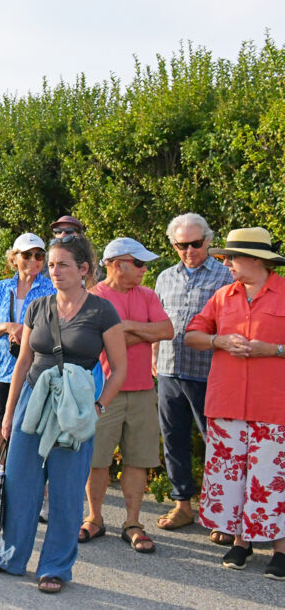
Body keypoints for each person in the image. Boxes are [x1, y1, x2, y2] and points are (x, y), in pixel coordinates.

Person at [0, 234, 126, 594]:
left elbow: (119, 367)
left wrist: (98, 407)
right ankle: (10, 556)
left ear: (84, 269)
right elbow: (23, 362)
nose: (54, 271)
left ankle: (55, 566)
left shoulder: (102, 311)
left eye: (62, 265)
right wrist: (8, 415)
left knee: (67, 489)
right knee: (20, 482)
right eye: (52, 265)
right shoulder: (38, 307)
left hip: (74, 409)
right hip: (32, 402)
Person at [184, 226, 285, 580]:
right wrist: (219, 341)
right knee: (234, 478)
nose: (226, 262)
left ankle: (280, 548)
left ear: (256, 260)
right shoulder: (223, 296)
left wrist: (272, 350)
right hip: (226, 403)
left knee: (272, 480)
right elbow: (191, 335)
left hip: (274, 406)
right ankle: (242, 542)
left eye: (232, 257)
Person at [81, 238, 172, 554]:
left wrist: (125, 328)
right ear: (117, 264)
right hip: (104, 393)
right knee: (97, 460)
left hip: (143, 390)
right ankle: (94, 518)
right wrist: (139, 331)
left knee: (138, 460)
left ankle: (133, 523)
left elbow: (166, 330)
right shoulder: (92, 297)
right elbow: (95, 340)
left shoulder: (147, 295)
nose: (145, 270)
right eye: (140, 263)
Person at [151, 214, 232, 542]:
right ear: (173, 245)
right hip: (170, 370)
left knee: (218, 443)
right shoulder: (165, 277)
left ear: (209, 241)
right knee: (173, 441)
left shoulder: (226, 277)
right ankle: (183, 505)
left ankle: (223, 515)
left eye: (196, 243)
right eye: (182, 245)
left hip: (209, 373)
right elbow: (156, 320)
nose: (190, 250)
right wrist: (154, 356)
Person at [0, 233, 55, 471]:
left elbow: (57, 329)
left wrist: (29, 333)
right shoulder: (1, 288)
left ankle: (36, 493)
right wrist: (7, 327)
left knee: (36, 428)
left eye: (39, 256)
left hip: (35, 369)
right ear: (14, 258)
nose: (34, 260)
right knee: (1, 426)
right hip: (2, 369)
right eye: (28, 255)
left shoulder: (51, 290)